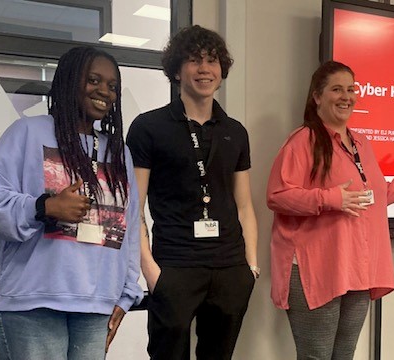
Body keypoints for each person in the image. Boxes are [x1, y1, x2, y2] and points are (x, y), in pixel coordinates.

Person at [267, 60, 394, 359]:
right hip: (317, 267)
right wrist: (330, 199)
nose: (346, 96)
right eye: (337, 89)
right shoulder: (303, 141)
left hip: (357, 268)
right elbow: (277, 196)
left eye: (351, 89)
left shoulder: (362, 143)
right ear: (317, 96)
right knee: (316, 356)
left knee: (344, 355)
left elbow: (376, 197)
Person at [0, 46, 143, 359]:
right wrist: (43, 207)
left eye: (113, 86)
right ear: (70, 81)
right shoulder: (27, 132)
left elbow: (131, 225)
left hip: (96, 304)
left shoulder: (118, 152)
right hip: (32, 302)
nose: (105, 91)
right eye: (94, 80)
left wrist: (127, 294)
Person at [126, 25, 258, 360]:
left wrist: (251, 267)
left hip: (230, 268)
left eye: (212, 61)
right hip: (175, 266)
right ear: (176, 70)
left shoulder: (235, 132)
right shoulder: (148, 128)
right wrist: (151, 272)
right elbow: (133, 206)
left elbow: (244, 204)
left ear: (222, 69)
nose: (204, 69)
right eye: (194, 60)